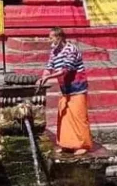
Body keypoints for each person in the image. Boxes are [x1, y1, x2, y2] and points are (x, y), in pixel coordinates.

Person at [38, 27, 93, 155]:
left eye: (51, 37)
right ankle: (67, 144)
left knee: (79, 117)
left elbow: (65, 70)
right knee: (64, 117)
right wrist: (43, 76)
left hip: (77, 87)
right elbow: (49, 66)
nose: (49, 40)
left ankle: (82, 145)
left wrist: (48, 77)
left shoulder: (71, 49)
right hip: (65, 89)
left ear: (59, 37)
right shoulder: (54, 51)